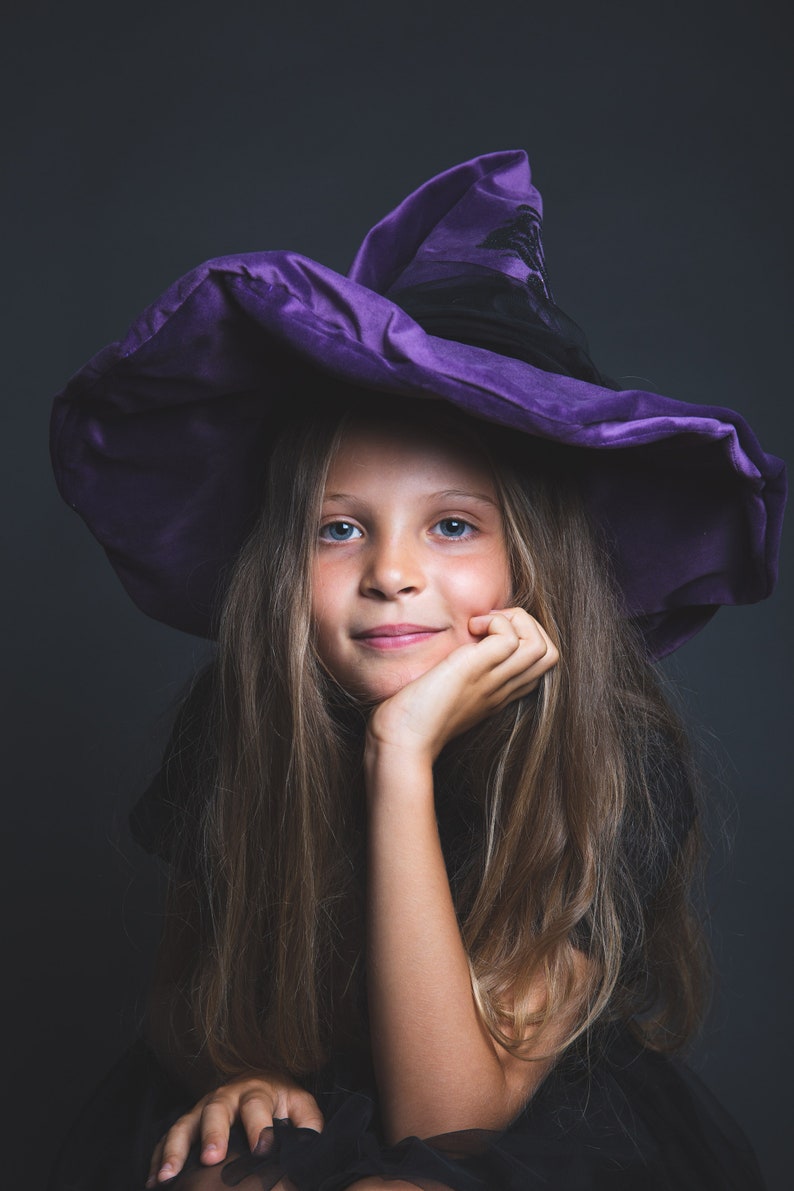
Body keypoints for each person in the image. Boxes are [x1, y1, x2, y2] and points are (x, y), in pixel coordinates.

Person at [49, 150, 785, 1191]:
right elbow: (189, 997)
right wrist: (244, 1068)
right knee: (219, 1172)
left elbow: (447, 1127)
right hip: (319, 1085)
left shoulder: (606, 750)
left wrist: (400, 759)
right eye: (338, 528)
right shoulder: (243, 715)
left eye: (450, 526)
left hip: (505, 1120)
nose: (390, 574)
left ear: (530, 557)